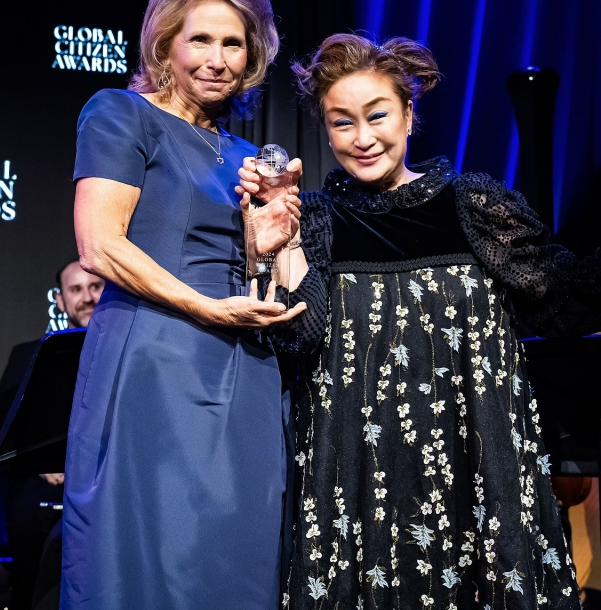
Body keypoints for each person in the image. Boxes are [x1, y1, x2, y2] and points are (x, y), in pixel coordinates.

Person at [238, 34, 601, 609]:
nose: (362, 139)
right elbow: (298, 339)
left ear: (409, 114)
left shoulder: (472, 207)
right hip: (360, 480)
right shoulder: (318, 220)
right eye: (341, 123)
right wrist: (271, 253)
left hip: (474, 474)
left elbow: (558, 295)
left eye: (377, 115)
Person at [61, 0, 306, 610]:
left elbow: (260, 275)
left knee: (235, 556)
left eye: (234, 43)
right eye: (200, 39)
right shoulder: (121, 115)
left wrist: (272, 245)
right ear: (165, 41)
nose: (218, 58)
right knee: (149, 550)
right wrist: (205, 306)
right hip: (155, 363)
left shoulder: (244, 156)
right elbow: (100, 245)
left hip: (243, 370)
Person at [0, 260, 103, 610]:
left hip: (109, 474)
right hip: (46, 478)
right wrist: (44, 462)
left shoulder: (131, 352)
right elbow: (5, 434)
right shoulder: (27, 355)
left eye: (96, 287)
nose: (87, 297)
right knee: (28, 514)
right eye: (76, 290)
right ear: (60, 300)